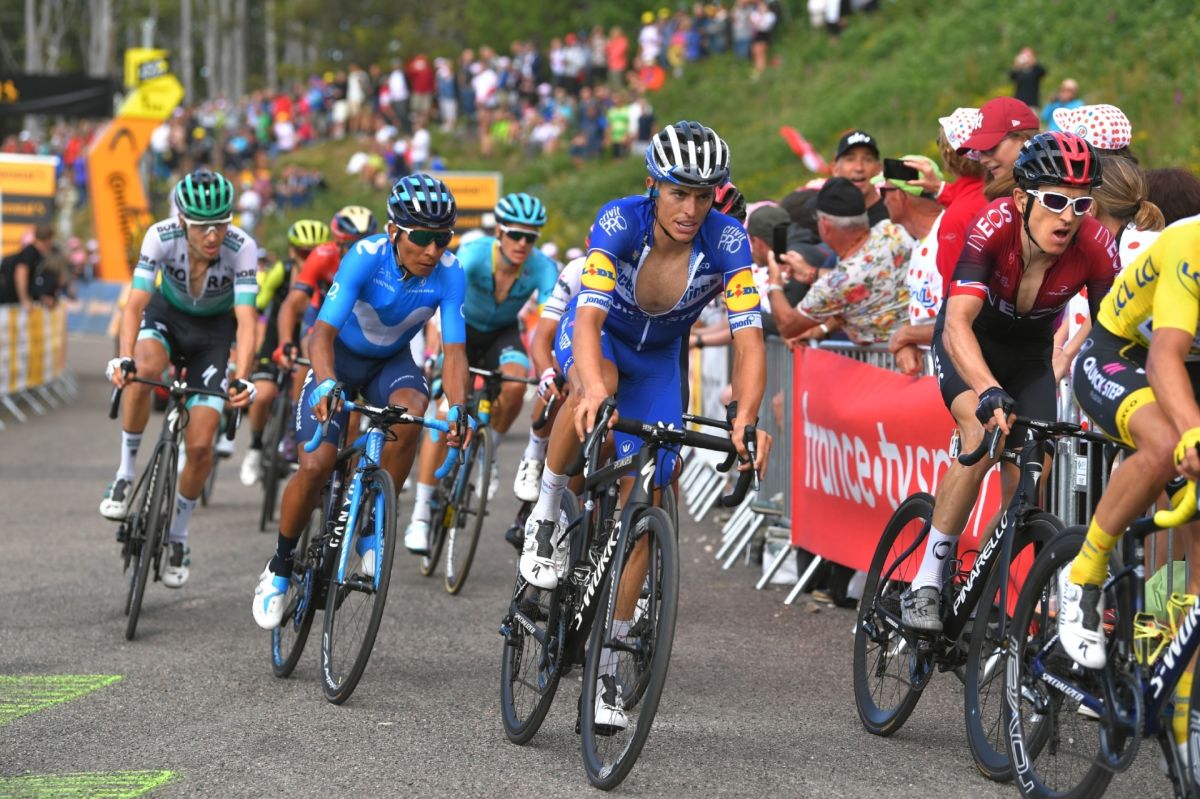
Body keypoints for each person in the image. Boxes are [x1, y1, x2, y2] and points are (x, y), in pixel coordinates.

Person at [518, 120, 770, 729]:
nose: (691, 209)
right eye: (679, 192)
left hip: (658, 363)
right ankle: (546, 514)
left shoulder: (728, 240)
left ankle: (607, 669)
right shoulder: (619, 221)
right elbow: (586, 321)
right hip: (603, 340)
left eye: (703, 196)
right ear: (653, 184)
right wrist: (592, 389)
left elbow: (750, 340)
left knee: (648, 506)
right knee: (593, 390)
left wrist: (747, 418)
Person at [899, 132, 1118, 634]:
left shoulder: (1095, 245)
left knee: (1029, 478)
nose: (1068, 216)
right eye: (1055, 201)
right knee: (982, 438)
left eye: (1081, 204)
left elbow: (1112, 333)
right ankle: (927, 581)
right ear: (1022, 199)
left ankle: (979, 588)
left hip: (1029, 355)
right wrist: (987, 389)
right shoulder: (991, 227)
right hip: (971, 342)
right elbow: (957, 323)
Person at [252, 174, 470, 629]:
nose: (433, 250)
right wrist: (326, 383)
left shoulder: (451, 273)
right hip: (339, 360)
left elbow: (454, 352)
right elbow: (321, 334)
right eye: (422, 238)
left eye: (443, 238)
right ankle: (279, 566)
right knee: (315, 465)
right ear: (394, 231)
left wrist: (458, 407)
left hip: (390, 364)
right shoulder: (366, 257)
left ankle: (373, 525)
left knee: (413, 411)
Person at [1056, 213, 1200, 767]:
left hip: (1189, 369)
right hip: (1121, 354)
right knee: (1165, 445)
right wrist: (1192, 433)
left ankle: (1181, 726)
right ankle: (1084, 572)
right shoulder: (1189, 242)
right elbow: (1164, 357)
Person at [102, 168, 259, 588]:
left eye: (221, 223)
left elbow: (246, 319)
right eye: (203, 225)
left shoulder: (242, 247)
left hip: (213, 335)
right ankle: (125, 473)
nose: (213, 234)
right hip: (166, 318)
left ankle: (178, 535)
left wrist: (243, 377)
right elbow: (135, 304)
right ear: (181, 219)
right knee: (143, 371)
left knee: (203, 445)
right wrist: (123, 359)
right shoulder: (160, 236)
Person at [404, 192, 557, 554]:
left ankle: (490, 454)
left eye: (530, 237)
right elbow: (438, 302)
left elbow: (550, 322)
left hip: (502, 333)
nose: (522, 244)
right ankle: (420, 514)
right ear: (499, 232)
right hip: (461, 330)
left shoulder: (543, 268)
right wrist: (433, 348)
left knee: (516, 384)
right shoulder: (473, 255)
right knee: (444, 415)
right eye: (515, 234)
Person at [239, 219, 332, 486]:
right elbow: (258, 307)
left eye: (314, 252)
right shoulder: (282, 271)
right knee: (263, 395)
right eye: (303, 252)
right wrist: (252, 346)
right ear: (292, 252)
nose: (308, 258)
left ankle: (293, 428)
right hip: (276, 334)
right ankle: (255, 446)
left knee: (305, 379)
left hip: (310, 337)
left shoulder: (329, 275)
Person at [765, 177, 911, 344]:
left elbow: (787, 326)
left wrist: (775, 282)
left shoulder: (832, 286)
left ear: (825, 225)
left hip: (888, 358)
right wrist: (812, 273)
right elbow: (862, 276)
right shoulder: (892, 230)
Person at [879, 158, 948, 375]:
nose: (882, 200)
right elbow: (925, 313)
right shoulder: (921, 241)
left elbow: (964, 323)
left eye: (883, 191)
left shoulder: (947, 236)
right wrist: (908, 341)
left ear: (900, 195)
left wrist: (905, 335)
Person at [958, 96, 1040, 201]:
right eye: (978, 151)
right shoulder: (1000, 195)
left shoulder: (1047, 195)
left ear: (1023, 139)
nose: (982, 160)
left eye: (990, 147)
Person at [830, 129, 888, 226]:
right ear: (835, 169)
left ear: (879, 168)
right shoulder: (827, 221)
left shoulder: (894, 217)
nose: (859, 167)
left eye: (867, 159)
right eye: (850, 159)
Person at [0, 225, 56, 310]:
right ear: (48, 239)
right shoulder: (30, 252)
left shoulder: (34, 253)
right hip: (11, 304)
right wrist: (24, 300)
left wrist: (41, 298)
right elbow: (21, 273)